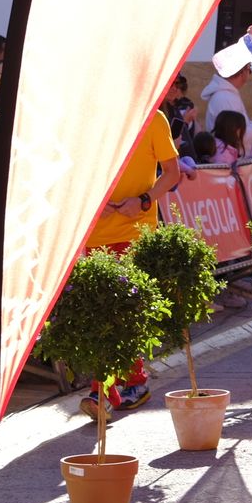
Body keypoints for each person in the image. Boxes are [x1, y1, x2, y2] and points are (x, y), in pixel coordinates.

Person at [77, 108, 182, 420]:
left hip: (134, 231)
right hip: (93, 232)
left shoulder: (154, 118)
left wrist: (145, 201)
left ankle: (104, 392)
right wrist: (94, 200)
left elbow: (172, 173)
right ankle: (130, 383)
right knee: (104, 313)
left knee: (117, 312)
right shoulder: (92, 116)